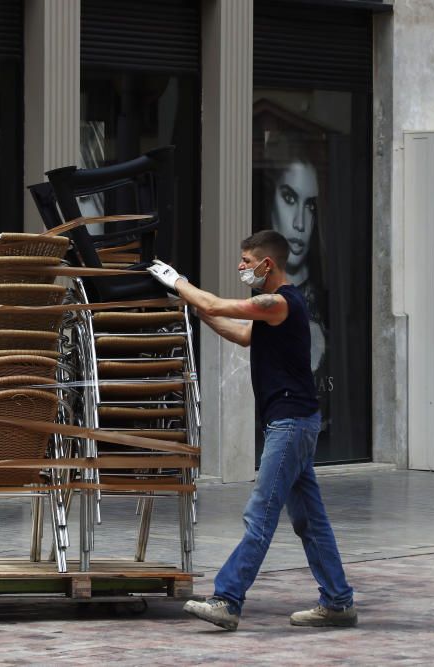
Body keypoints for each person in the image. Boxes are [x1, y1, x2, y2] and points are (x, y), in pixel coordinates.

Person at [147, 229, 355, 632]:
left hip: (291, 425)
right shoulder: (273, 313)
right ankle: (338, 601)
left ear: (267, 264)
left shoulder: (277, 303)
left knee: (259, 514)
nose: (241, 267)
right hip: (295, 422)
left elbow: (219, 303)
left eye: (246, 261)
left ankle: (227, 599)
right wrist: (196, 310)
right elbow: (239, 333)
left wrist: (179, 282)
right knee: (309, 521)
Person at [267, 158, 326, 374]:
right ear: (269, 200)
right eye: (289, 198)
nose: (299, 223)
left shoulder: (329, 300)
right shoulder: (249, 289)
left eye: (310, 206)